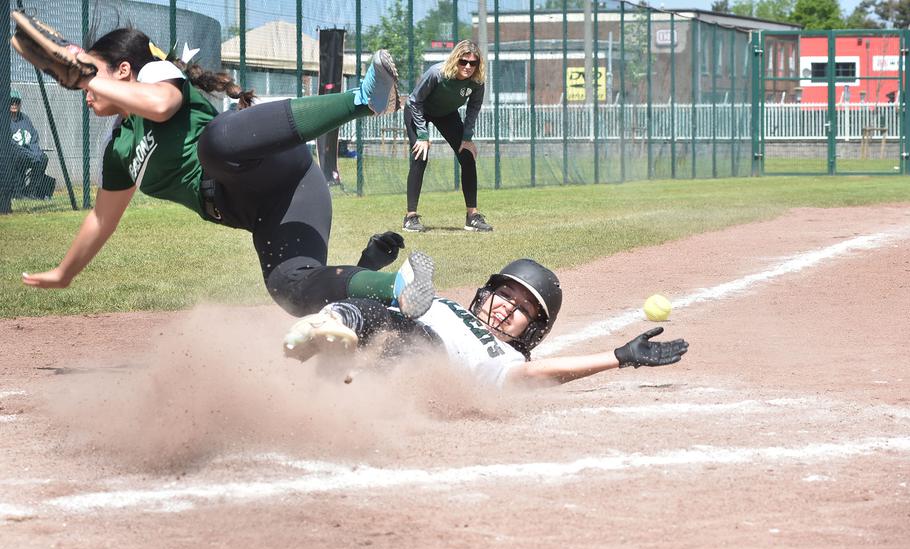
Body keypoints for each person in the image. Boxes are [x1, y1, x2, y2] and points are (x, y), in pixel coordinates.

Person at [11, 11, 435, 320]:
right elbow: (101, 220)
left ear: (123, 70)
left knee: (215, 144)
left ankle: (363, 100)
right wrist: (64, 274)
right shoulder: (117, 149)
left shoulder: (156, 75)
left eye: (95, 72)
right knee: (290, 287)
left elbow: (161, 105)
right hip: (268, 207)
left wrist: (85, 75)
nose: (85, 90)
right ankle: (397, 287)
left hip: (266, 164)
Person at [284, 250, 689, 389]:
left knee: (409, 334)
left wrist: (619, 356)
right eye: (504, 295)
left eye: (521, 310)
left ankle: (334, 338)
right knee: (387, 311)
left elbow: (540, 376)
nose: (505, 308)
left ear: (532, 331)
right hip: (387, 327)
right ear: (486, 291)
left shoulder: (508, 360)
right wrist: (369, 263)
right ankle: (328, 326)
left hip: (420, 355)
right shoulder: (445, 304)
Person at [402, 40, 492, 233]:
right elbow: (414, 101)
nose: (468, 66)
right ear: (455, 60)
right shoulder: (437, 73)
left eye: (473, 63)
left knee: (467, 157)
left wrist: (467, 138)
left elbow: (473, 108)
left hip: (446, 114)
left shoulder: (477, 81)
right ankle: (410, 218)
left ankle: (472, 217)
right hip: (418, 111)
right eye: (463, 61)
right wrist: (423, 135)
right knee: (420, 156)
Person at [9, 89, 54, 200]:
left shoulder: (25, 118)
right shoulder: (4, 119)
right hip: (13, 154)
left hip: (29, 153)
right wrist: (30, 154)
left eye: (17, 102)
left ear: (20, 104)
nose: (14, 104)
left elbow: (33, 137)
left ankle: (31, 191)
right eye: (11, 101)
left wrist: (36, 152)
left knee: (43, 158)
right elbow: (10, 143)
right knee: (19, 156)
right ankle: (18, 193)